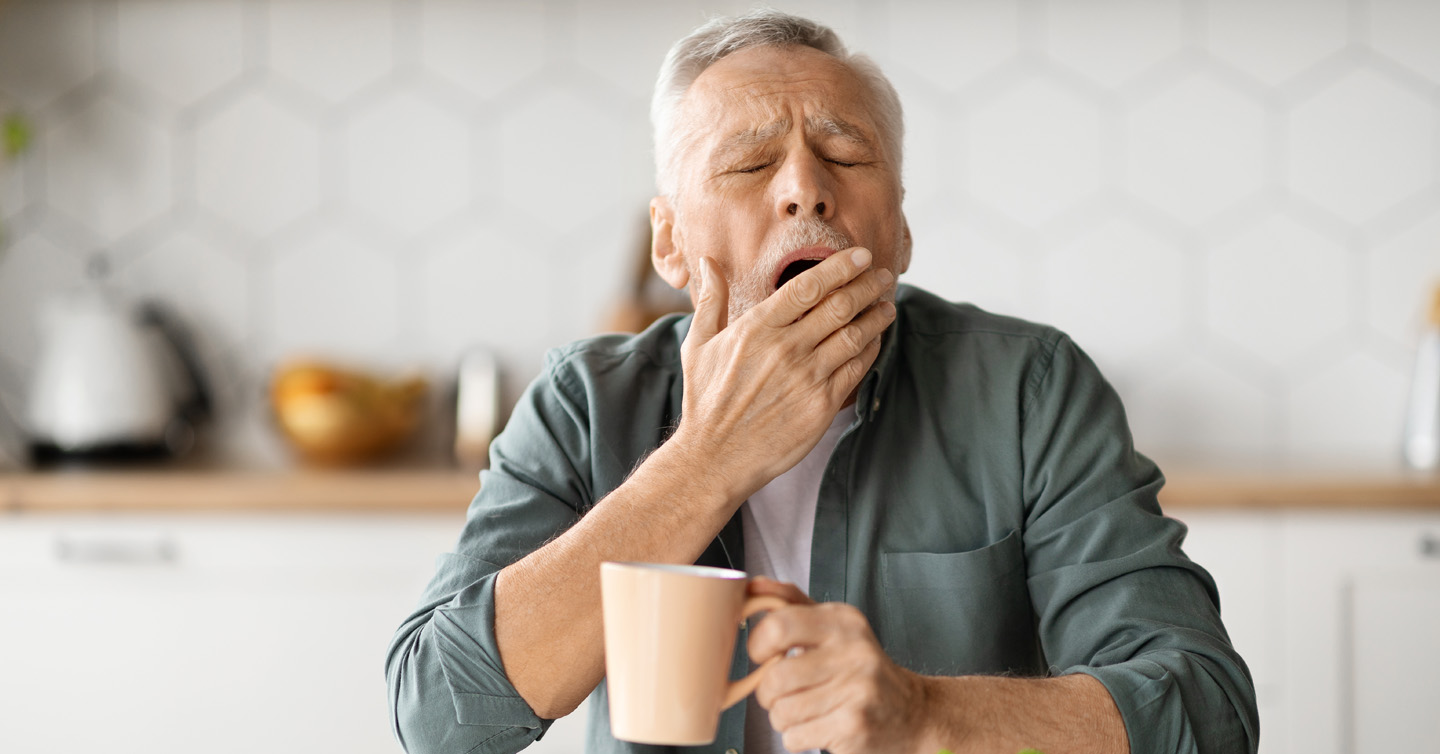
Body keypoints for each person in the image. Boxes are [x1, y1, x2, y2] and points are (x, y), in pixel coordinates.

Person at [386, 10, 1258, 754]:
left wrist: (924, 715)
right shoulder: (584, 403)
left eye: (844, 153)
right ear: (669, 243)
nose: (805, 188)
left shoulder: (1031, 390)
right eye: (749, 164)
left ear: (901, 230)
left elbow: (1205, 710)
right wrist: (705, 460)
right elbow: (440, 713)